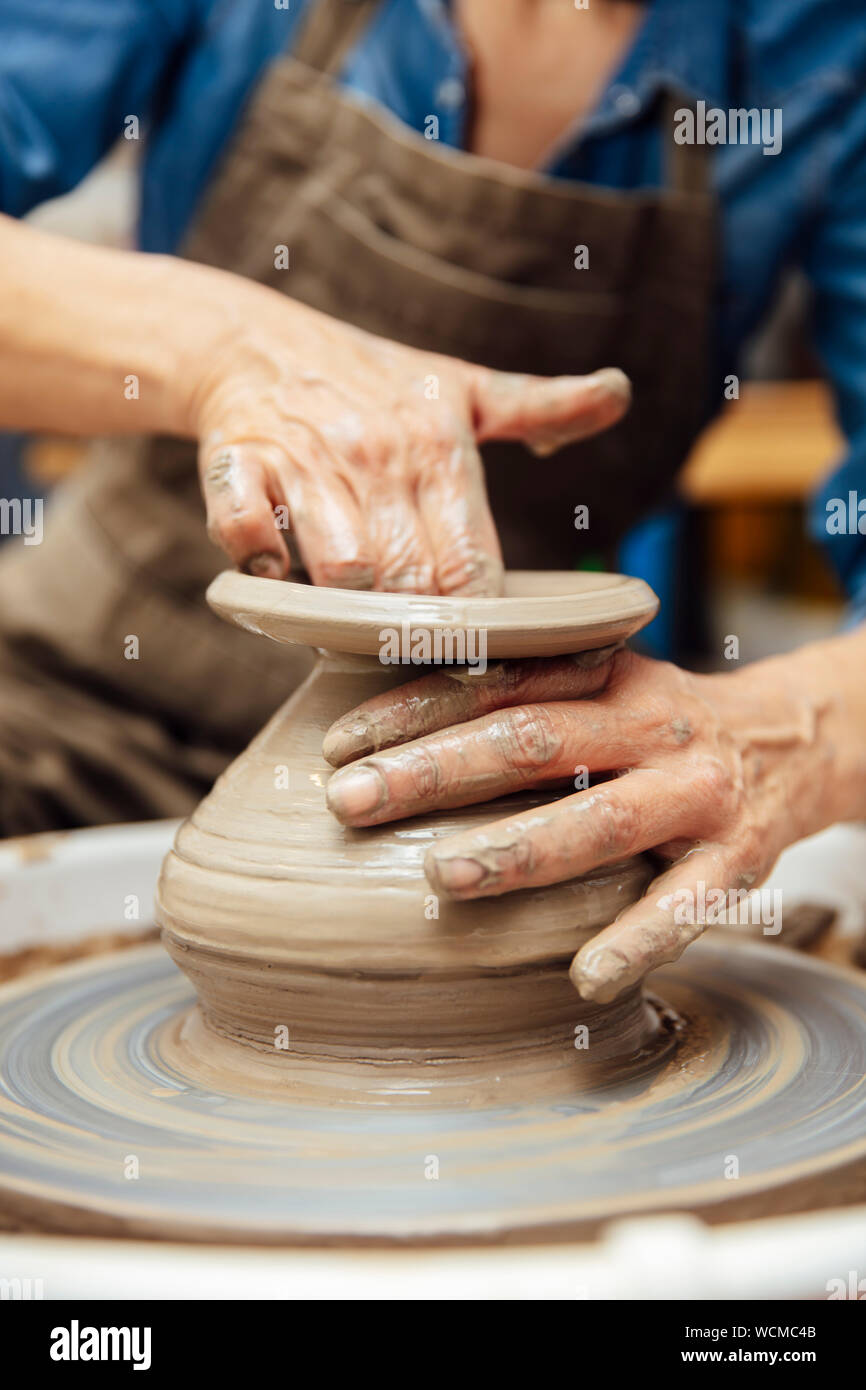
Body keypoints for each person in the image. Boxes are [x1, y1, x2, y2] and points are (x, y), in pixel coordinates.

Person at [1, 0, 865, 995]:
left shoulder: (824, 42)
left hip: (493, 780)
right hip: (83, 699)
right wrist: (222, 351)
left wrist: (786, 728)